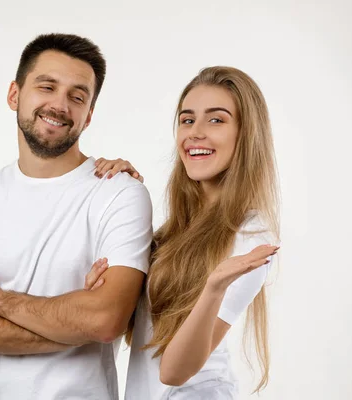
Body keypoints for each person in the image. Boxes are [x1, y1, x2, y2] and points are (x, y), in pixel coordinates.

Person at [0, 33, 153, 400]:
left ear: (89, 115)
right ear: (14, 94)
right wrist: (74, 320)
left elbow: (105, 320)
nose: (60, 105)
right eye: (46, 86)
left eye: (77, 97)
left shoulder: (119, 193)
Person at [87, 66, 280, 399]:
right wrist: (120, 194)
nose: (196, 133)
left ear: (246, 134)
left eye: (216, 120)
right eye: (187, 120)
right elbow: (131, 327)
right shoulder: (176, 229)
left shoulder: (251, 237)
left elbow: (173, 371)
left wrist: (214, 286)